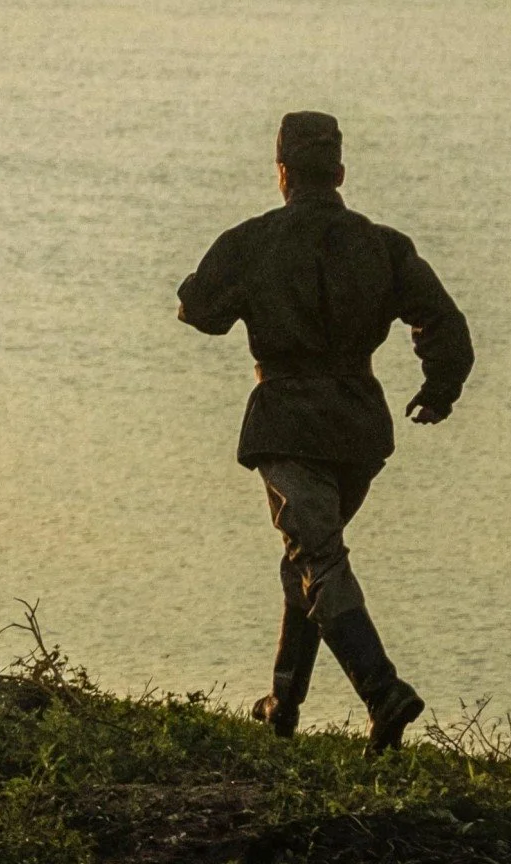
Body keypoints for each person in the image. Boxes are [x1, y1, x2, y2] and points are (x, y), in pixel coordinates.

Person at [176, 110, 474, 752]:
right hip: (359, 427)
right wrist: (439, 387)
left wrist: (202, 288)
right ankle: (283, 703)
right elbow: (445, 323)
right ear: (339, 173)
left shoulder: (250, 241)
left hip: (287, 420)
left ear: (281, 174)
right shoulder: (384, 245)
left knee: (317, 556)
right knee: (309, 556)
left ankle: (382, 690)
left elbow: (199, 312)